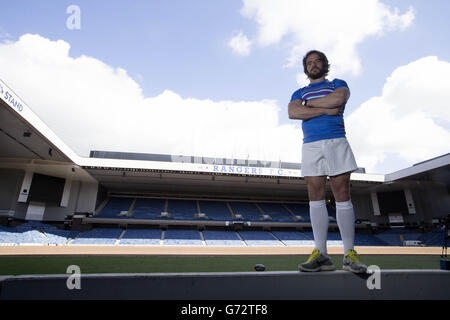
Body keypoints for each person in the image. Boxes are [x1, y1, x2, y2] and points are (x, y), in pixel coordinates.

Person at [288, 50, 367, 273]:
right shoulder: (299, 91)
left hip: (336, 140)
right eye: (309, 63)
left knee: (342, 194)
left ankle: (349, 254)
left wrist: (309, 106)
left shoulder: (337, 83)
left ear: (325, 64)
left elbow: (339, 99)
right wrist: (325, 108)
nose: (313, 65)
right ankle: (321, 254)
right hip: (311, 144)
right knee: (315, 196)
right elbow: (293, 112)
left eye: (317, 61)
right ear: (305, 68)